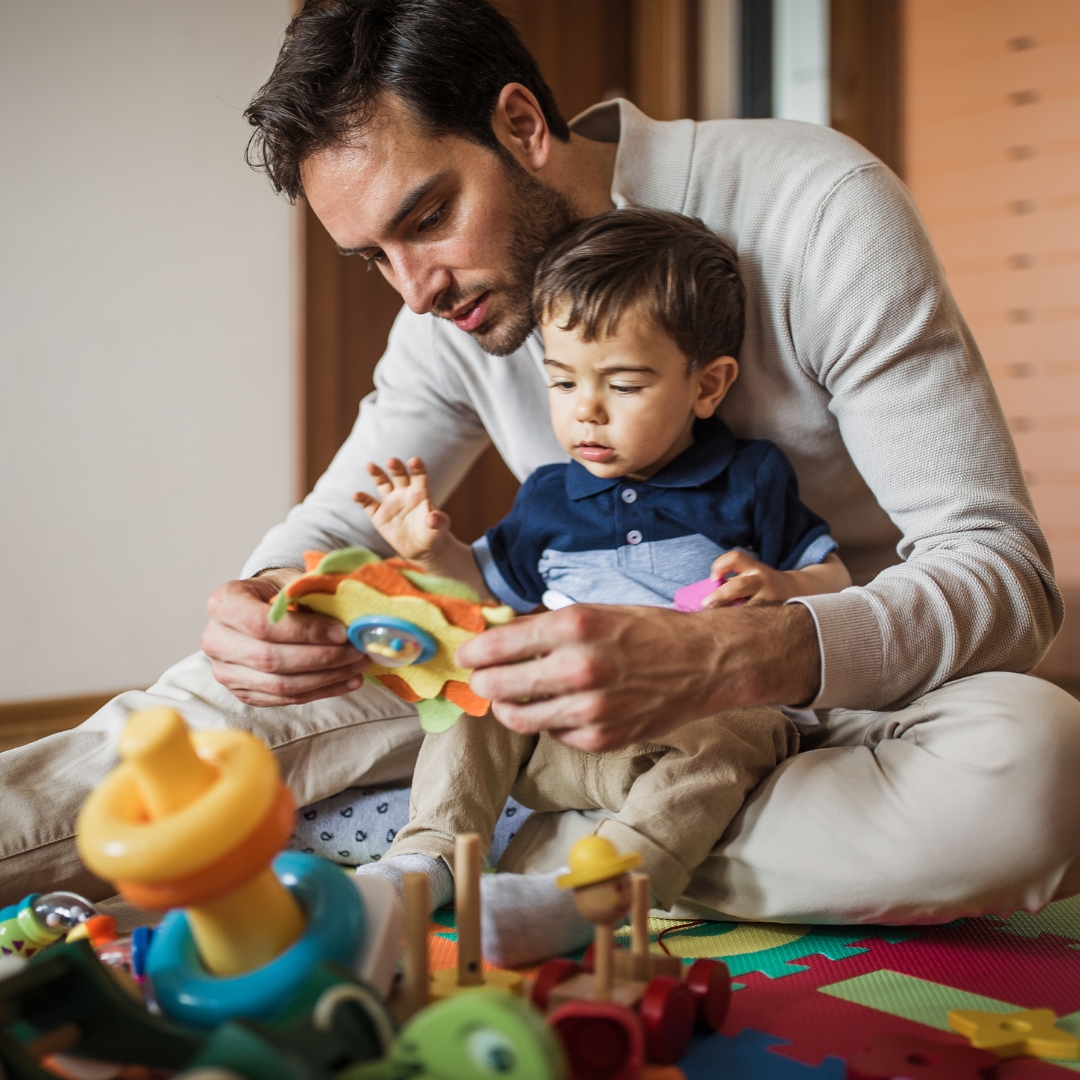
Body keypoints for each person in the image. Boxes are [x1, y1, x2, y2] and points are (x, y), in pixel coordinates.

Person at [2, 0, 1078, 928]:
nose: (413, 287)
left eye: (426, 218)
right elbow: (338, 525)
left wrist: (737, 656)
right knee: (213, 697)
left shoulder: (819, 208)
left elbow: (1002, 574)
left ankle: (413, 844)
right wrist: (262, 598)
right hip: (545, 707)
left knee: (1034, 772)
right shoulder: (447, 310)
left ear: (522, 124)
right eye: (373, 257)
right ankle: (537, 857)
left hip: (818, 707)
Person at [351, 209, 849, 962]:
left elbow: (837, 576)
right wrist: (433, 547)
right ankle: (426, 858)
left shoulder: (750, 477)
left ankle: (597, 895)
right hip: (555, 742)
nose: (585, 409)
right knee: (471, 690)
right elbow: (486, 591)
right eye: (561, 380)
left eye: (623, 383)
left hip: (688, 729)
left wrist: (780, 583)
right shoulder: (549, 496)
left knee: (740, 734)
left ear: (707, 386)